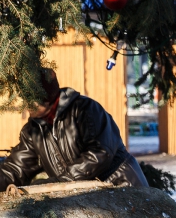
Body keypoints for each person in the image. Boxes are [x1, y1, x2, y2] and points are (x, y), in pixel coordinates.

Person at [0, 68, 148, 191]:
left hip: (123, 189)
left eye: (29, 99)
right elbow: (15, 170)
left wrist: (60, 182)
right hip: (85, 201)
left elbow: (100, 153)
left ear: (44, 97)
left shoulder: (86, 110)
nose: (25, 105)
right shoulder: (32, 131)